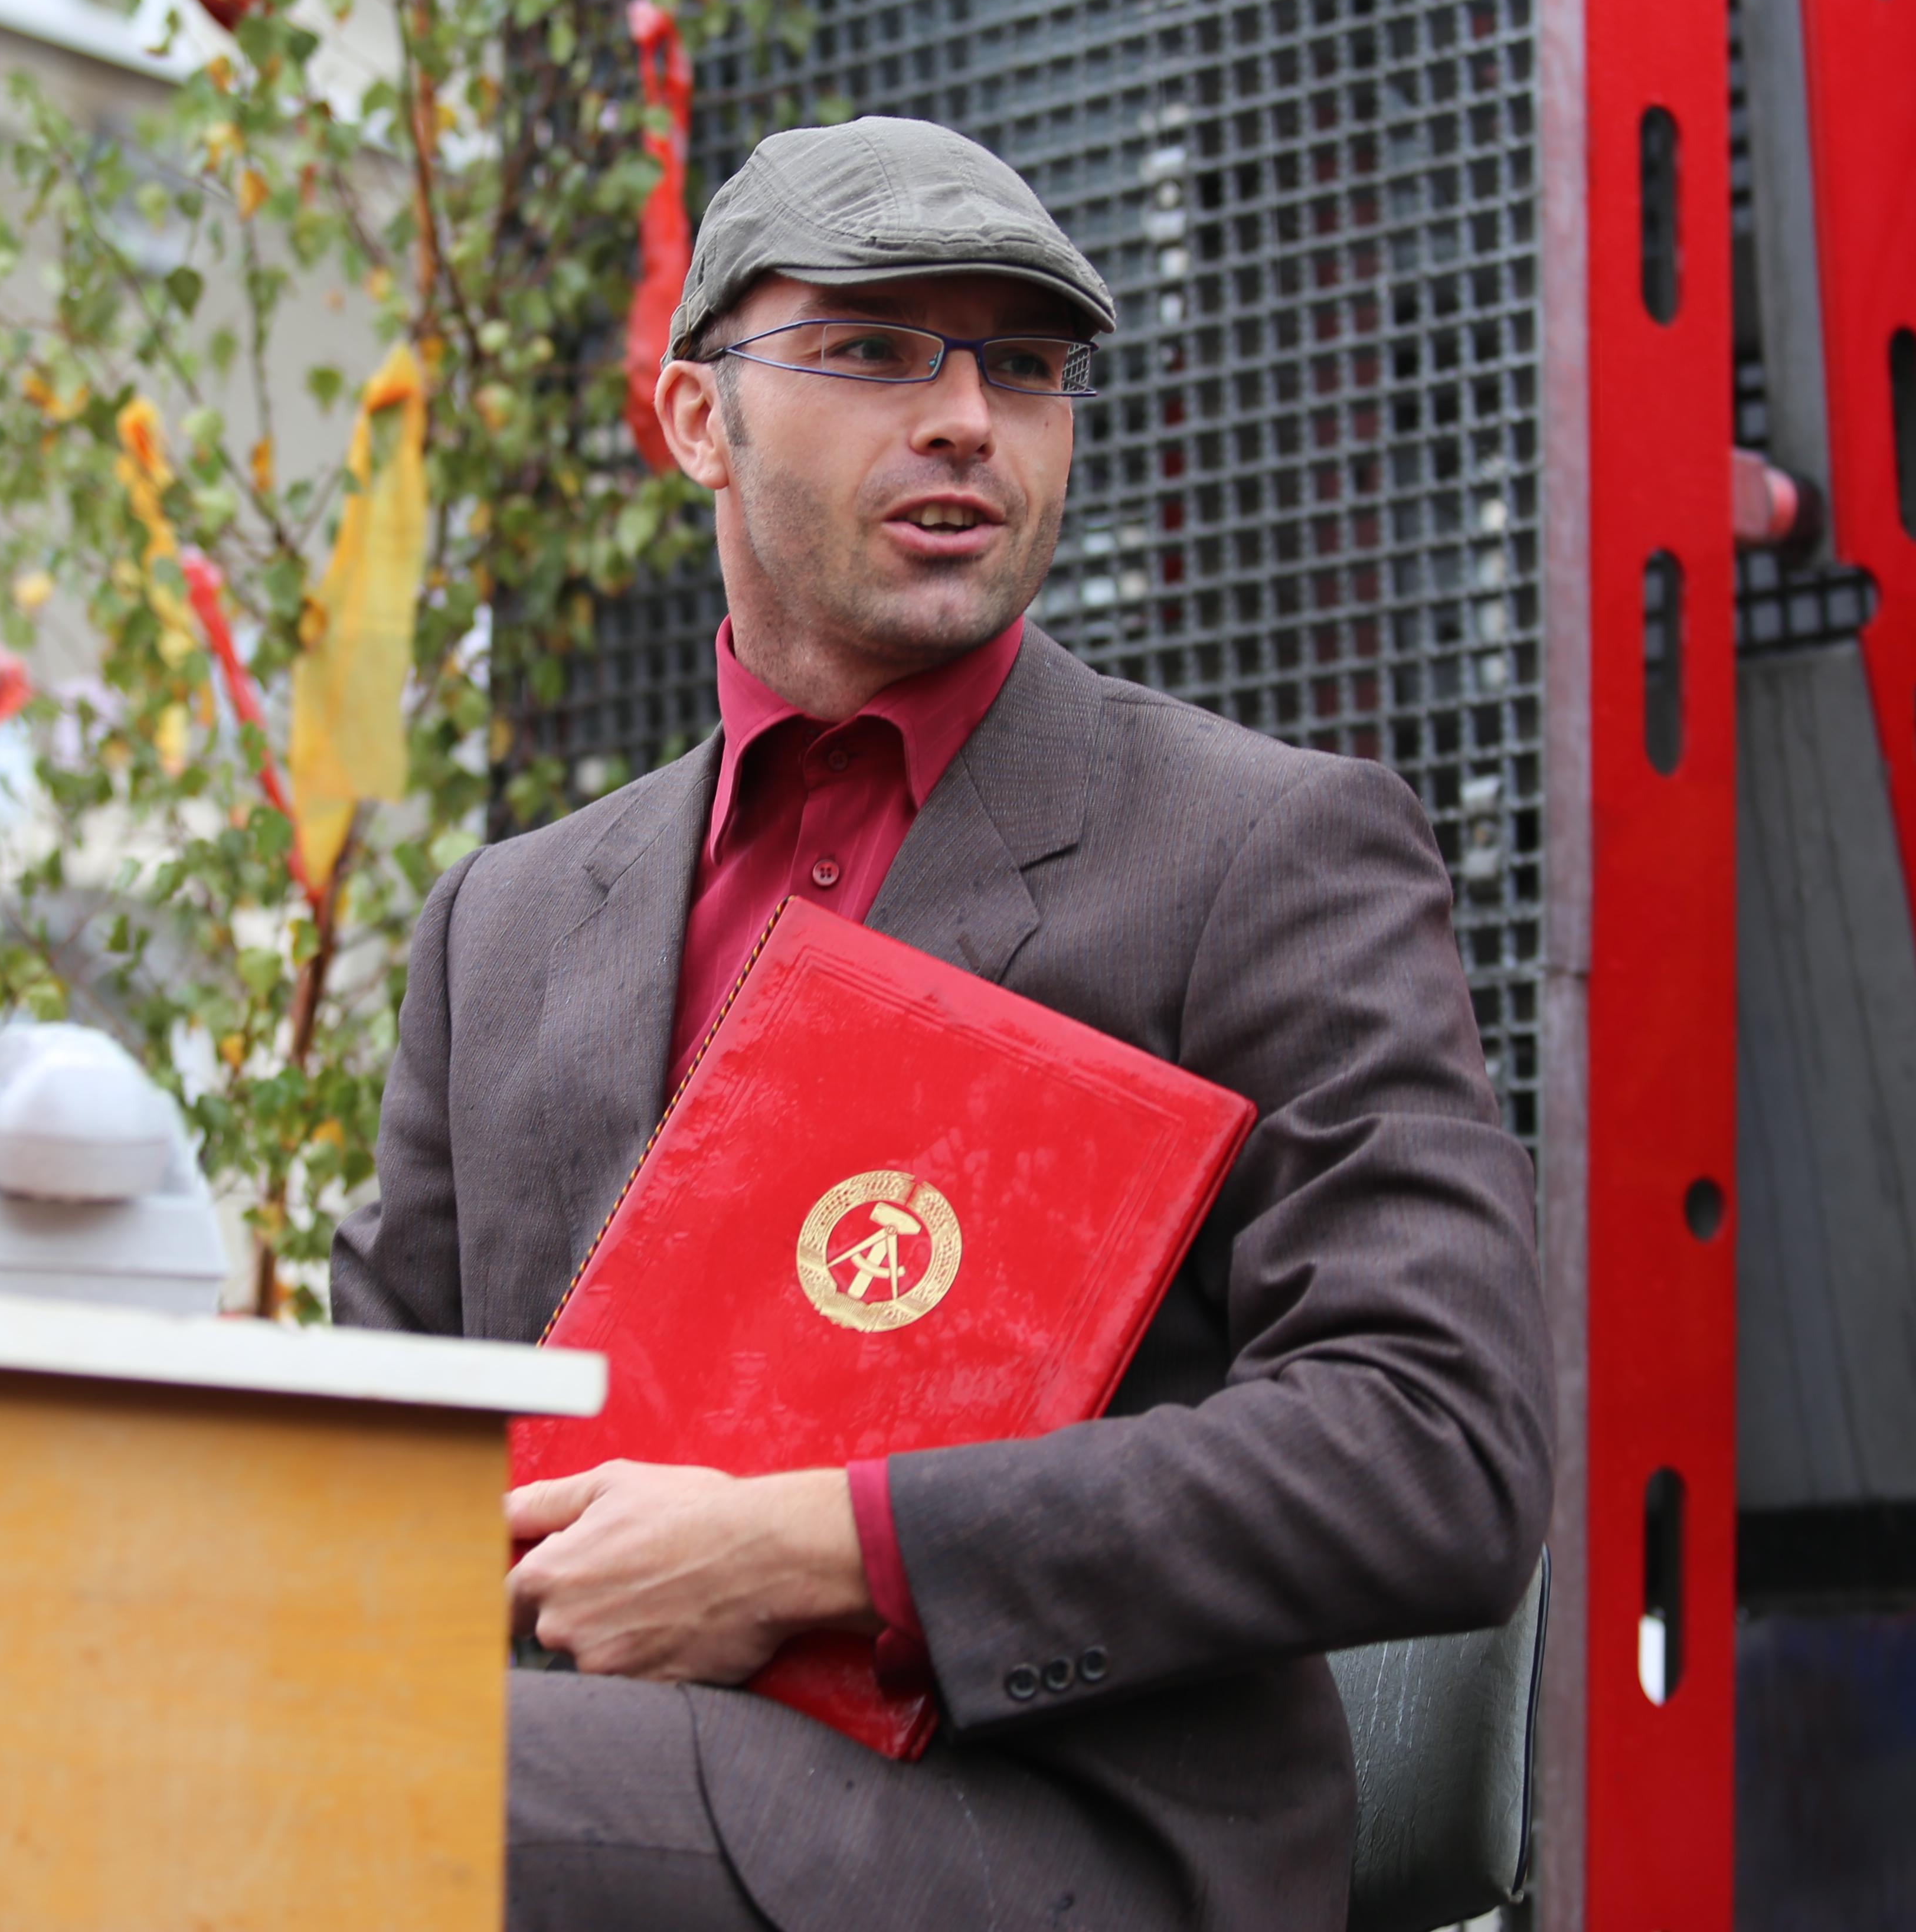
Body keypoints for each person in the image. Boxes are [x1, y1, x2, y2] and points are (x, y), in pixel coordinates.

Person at [331, 117, 1552, 1932]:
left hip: (1058, 1841)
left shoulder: (1260, 849)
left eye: (1026, 367)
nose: (970, 417)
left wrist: (822, 1548)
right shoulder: (499, 928)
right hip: (595, 1768)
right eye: (876, 349)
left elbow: (1438, 1445)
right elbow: (378, 1468)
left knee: (385, 1789)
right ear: (697, 421)